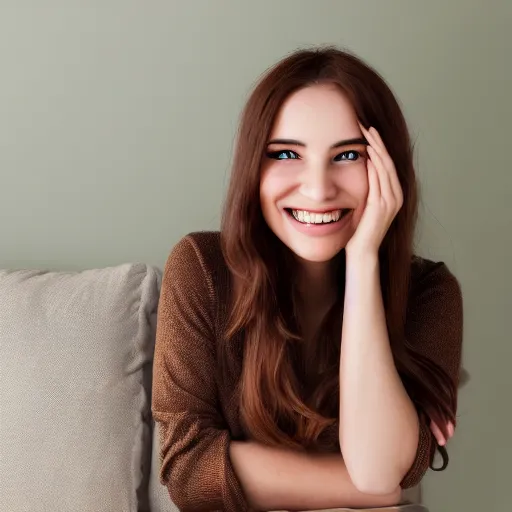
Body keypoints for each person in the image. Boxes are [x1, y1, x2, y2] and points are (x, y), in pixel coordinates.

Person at [151, 47, 463, 512]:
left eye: (348, 155)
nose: (317, 189)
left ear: (386, 168)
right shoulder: (200, 268)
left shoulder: (429, 294)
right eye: (286, 153)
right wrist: (358, 486)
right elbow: (190, 473)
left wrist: (363, 261)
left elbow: (379, 467)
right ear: (253, 168)